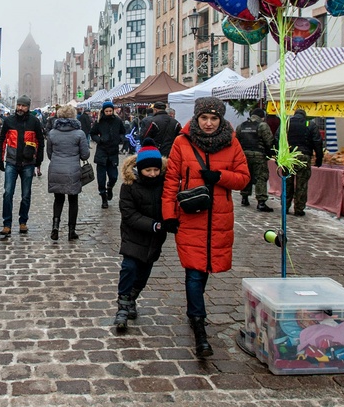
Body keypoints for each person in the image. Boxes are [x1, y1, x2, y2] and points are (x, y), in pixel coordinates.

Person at [162, 97, 250, 357]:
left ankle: (195, 311)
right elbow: (171, 181)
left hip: (219, 217)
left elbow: (244, 179)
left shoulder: (232, 142)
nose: (209, 123)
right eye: (204, 118)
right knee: (195, 271)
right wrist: (168, 214)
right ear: (197, 118)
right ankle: (199, 325)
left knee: (206, 267)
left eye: (214, 118)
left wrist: (221, 177)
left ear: (220, 119)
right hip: (191, 215)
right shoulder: (182, 142)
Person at [113, 139, 169, 332]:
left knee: (144, 273)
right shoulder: (129, 185)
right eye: (148, 171)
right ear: (140, 169)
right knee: (129, 267)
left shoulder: (165, 184)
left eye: (156, 170)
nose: (153, 174)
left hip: (155, 238)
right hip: (133, 235)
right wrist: (154, 225)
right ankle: (122, 307)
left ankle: (132, 299)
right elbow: (129, 214)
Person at [0, 95, 44, 239]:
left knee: (25, 195)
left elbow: (40, 142)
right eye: (19, 105)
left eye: (23, 106)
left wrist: (38, 161)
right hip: (11, 162)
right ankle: (7, 224)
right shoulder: (9, 121)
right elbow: (2, 140)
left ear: (28, 107)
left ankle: (23, 221)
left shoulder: (34, 122)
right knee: (8, 193)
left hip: (28, 163)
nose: (20, 108)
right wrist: (0, 158)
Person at [46, 104, 90, 241]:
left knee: (58, 199)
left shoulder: (52, 133)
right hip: (72, 170)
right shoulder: (79, 134)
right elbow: (85, 155)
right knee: (73, 200)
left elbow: (49, 154)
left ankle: (55, 226)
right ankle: (72, 230)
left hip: (56, 169)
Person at [278, 108, 323, 217]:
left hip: (288, 156)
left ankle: (285, 206)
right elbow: (317, 142)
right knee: (301, 184)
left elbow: (277, 138)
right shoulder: (310, 124)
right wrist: (319, 158)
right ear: (304, 116)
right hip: (303, 156)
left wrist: (278, 157)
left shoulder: (286, 123)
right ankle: (299, 209)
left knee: (287, 183)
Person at [235, 108, 275, 212]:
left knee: (246, 175)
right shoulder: (262, 125)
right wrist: (271, 154)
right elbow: (269, 141)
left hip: (244, 155)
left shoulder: (241, 126)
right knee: (260, 177)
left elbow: (236, 142)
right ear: (262, 117)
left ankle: (244, 198)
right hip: (258, 155)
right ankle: (261, 202)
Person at [90, 101, 126, 209]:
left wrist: (120, 139)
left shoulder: (118, 121)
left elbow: (122, 132)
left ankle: (110, 187)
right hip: (102, 152)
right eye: (107, 111)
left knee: (113, 176)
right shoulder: (99, 122)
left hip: (113, 152)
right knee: (101, 179)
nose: (109, 113)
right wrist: (99, 140)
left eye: (110, 110)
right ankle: (103, 198)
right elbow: (93, 133)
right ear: (103, 111)